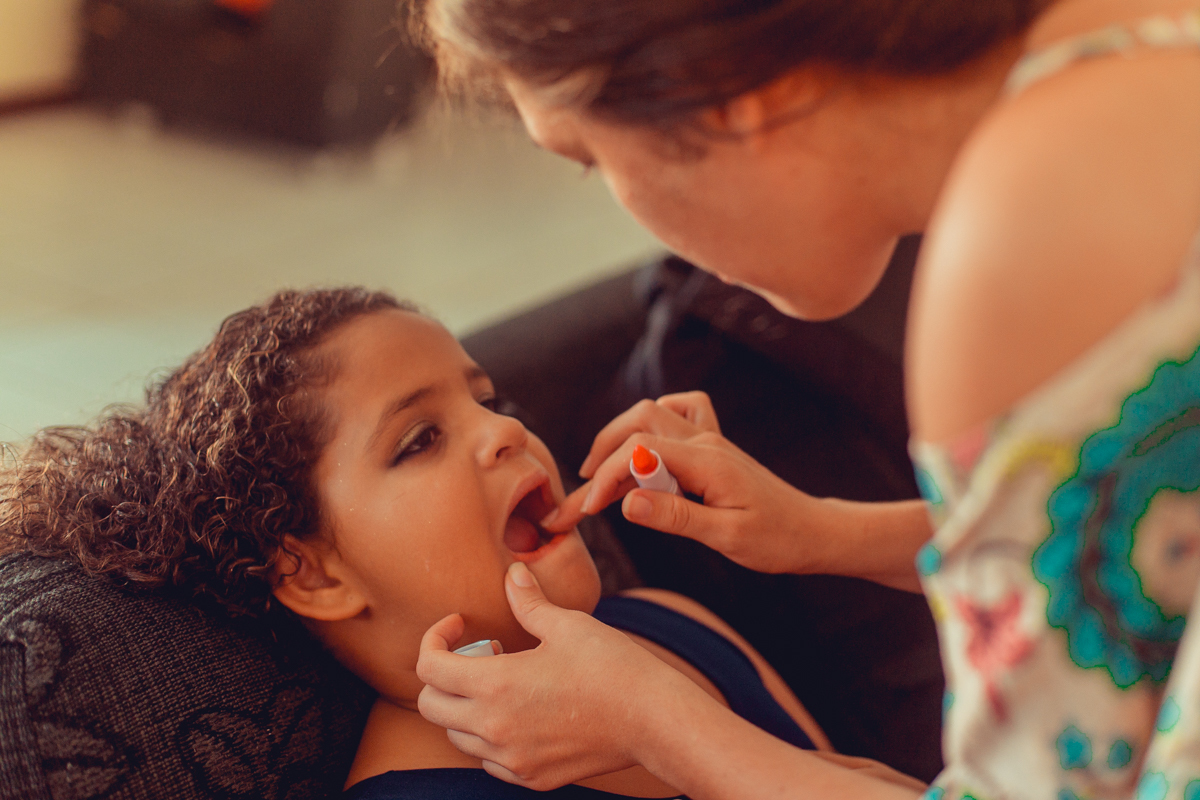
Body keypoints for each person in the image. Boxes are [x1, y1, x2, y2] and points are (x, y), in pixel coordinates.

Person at [409, 1, 1200, 798]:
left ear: (719, 92)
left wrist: (658, 725)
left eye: (586, 157)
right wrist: (824, 533)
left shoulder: (1027, 241)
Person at [0, 288, 924, 798]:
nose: (503, 433)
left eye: (490, 401)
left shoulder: (669, 626)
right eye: (419, 440)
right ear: (312, 573)